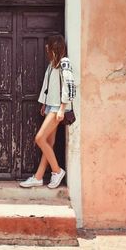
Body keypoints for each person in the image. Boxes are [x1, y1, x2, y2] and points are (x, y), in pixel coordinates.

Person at [19, 34, 76, 189]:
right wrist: (44, 103)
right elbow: (47, 85)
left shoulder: (64, 63)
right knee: (48, 142)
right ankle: (38, 177)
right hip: (51, 106)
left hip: (58, 108)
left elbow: (70, 87)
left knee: (39, 139)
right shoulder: (52, 64)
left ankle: (57, 171)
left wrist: (62, 109)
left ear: (53, 47)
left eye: (48, 45)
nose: (46, 47)